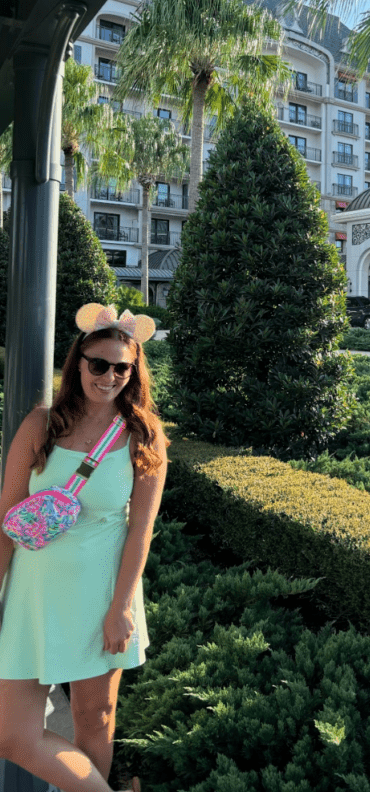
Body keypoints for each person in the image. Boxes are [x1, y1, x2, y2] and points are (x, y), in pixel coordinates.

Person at [0, 304, 168, 792]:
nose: (110, 376)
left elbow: (141, 530)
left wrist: (120, 610)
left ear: (134, 372)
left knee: (93, 718)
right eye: (99, 364)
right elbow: (7, 519)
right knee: (13, 735)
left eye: (122, 367)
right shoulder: (41, 425)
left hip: (102, 598)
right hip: (32, 597)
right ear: (77, 363)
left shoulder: (144, 436)